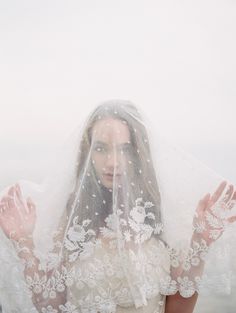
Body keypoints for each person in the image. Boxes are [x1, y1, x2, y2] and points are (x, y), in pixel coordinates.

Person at [0, 100, 235, 313]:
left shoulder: (162, 217)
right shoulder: (73, 221)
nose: (112, 162)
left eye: (124, 149)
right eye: (101, 148)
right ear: (88, 152)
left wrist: (201, 242)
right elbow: (51, 306)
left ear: (137, 153)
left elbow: (178, 310)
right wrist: (24, 242)